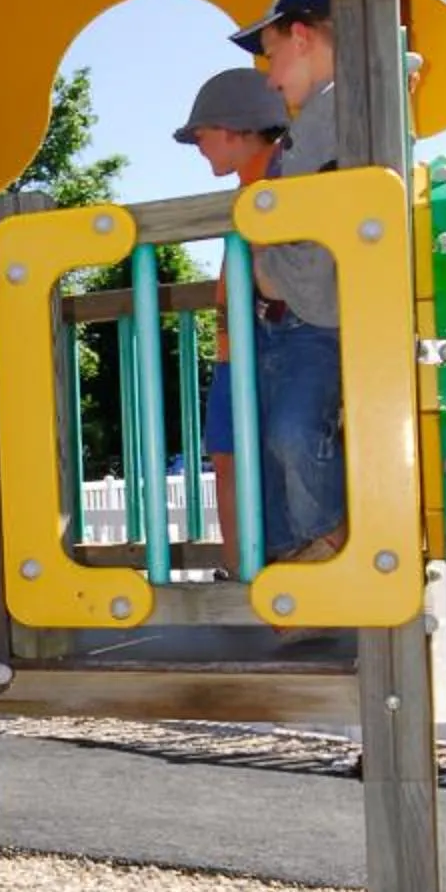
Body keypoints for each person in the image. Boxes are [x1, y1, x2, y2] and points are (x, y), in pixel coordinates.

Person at [227, 0, 345, 561]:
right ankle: (298, 570)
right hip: (284, 320)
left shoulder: (349, 104)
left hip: (315, 319)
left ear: (301, 37)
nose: (270, 78)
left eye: (272, 56)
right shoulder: (318, 117)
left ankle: (327, 549)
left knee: (294, 434)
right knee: (272, 453)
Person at [170, 68, 289, 557]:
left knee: (260, 461)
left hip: (267, 341)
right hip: (235, 346)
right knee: (229, 458)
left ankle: (269, 578)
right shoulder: (248, 186)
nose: (198, 145)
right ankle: (248, 577)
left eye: (202, 134)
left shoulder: (283, 176)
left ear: (236, 129)